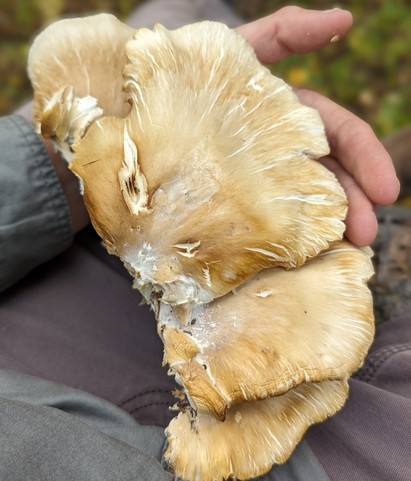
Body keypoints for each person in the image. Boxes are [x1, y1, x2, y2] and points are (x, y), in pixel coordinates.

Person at [0, 1, 409, 480]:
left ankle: (382, 176)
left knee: (185, 14)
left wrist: (60, 174)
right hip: (184, 413)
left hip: (75, 243)